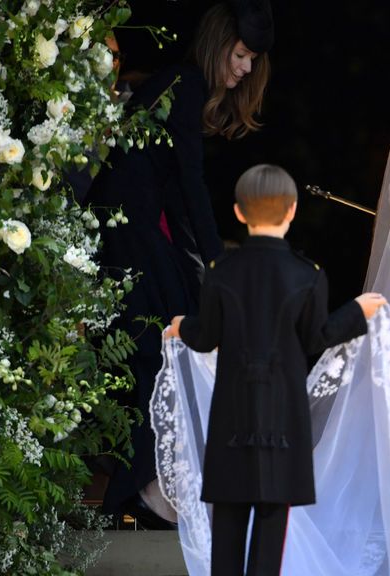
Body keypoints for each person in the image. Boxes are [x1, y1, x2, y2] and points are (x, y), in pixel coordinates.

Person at [86, 0, 274, 525]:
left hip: (134, 236)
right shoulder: (185, 83)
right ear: (220, 45)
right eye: (240, 54)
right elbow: (189, 184)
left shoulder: (176, 85)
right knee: (159, 355)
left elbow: (173, 191)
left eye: (253, 59)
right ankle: (144, 492)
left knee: (159, 355)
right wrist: (216, 264)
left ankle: (144, 491)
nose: (245, 68)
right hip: (129, 239)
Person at [165, 164, 387, 576]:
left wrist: (181, 326)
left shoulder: (220, 272)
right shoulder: (308, 275)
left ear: (237, 212)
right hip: (283, 420)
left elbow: (206, 335)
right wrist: (358, 310)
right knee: (272, 523)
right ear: (292, 211)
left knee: (228, 520)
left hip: (232, 416)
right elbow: (317, 338)